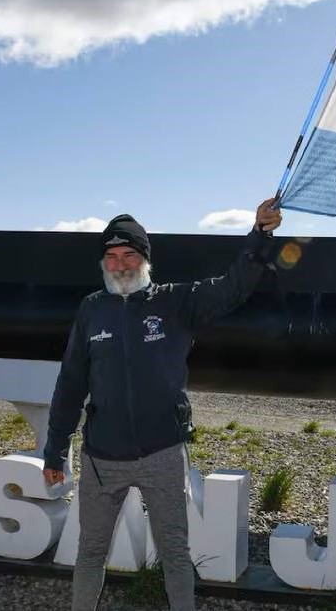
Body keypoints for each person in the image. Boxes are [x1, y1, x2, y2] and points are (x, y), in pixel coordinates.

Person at [43, 200, 282, 611]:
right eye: (112, 256)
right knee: (90, 552)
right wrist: (54, 450)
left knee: (174, 551)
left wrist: (259, 235)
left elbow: (233, 288)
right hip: (102, 459)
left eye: (129, 254)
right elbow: (70, 383)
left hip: (163, 453)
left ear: (145, 259)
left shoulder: (176, 303)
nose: (119, 264)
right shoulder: (91, 310)